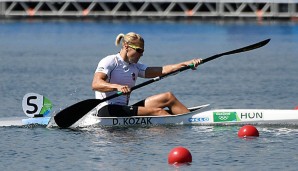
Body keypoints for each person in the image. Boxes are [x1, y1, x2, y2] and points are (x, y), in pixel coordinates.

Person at [92, 32, 201, 117]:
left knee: (168, 97)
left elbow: (163, 70)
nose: (142, 54)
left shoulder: (135, 66)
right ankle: (183, 125)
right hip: (107, 110)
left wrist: (186, 64)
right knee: (158, 112)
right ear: (126, 46)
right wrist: (117, 87)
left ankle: (191, 120)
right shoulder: (110, 61)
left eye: (142, 51)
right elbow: (96, 84)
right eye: (139, 50)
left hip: (123, 109)